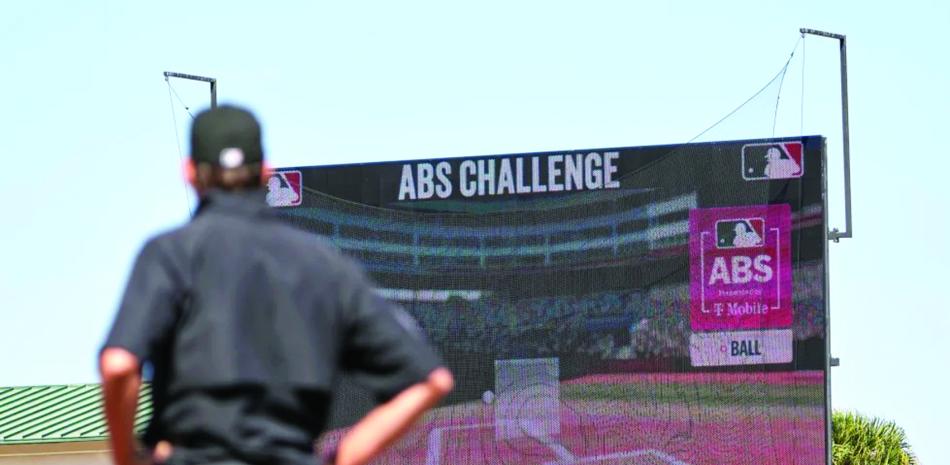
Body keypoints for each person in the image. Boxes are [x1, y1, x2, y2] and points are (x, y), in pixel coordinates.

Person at [99, 105, 453, 465]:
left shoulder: (170, 253)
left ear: (189, 173)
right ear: (266, 172)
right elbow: (430, 380)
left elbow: (118, 365)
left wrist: (126, 459)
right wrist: (344, 458)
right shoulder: (323, 264)